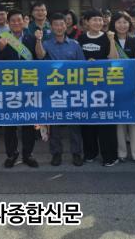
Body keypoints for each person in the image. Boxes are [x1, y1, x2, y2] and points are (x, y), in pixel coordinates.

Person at [35, 12, 86, 167]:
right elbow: (39, 56)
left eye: (61, 24)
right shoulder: (46, 44)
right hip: (53, 91)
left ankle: (76, 153)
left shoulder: (75, 45)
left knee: (74, 123)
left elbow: (82, 66)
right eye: (56, 25)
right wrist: (38, 40)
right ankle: (56, 153)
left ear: (66, 25)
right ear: (51, 27)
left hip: (72, 90)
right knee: (55, 124)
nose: (59, 27)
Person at [0, 9, 39, 168]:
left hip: (28, 85)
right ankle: (12, 154)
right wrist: (0, 48)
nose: (16, 23)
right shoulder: (1, 38)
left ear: (24, 21)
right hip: (9, 86)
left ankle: (28, 154)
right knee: (10, 123)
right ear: (8, 23)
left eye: (19, 20)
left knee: (28, 122)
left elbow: (39, 60)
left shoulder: (31, 38)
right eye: (13, 21)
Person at [77, 9, 119, 166]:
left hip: (104, 86)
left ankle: (110, 156)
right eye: (94, 20)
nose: (98, 23)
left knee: (105, 120)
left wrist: (112, 41)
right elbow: (76, 60)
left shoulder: (108, 37)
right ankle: (90, 153)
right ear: (87, 22)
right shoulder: (81, 38)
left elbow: (114, 59)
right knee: (87, 120)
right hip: (86, 86)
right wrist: (85, 64)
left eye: (100, 20)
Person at [110, 11, 135, 164]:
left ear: (130, 24)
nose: (122, 25)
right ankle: (121, 153)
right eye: (118, 22)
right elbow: (112, 59)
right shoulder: (109, 40)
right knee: (119, 119)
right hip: (115, 84)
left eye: (125, 22)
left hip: (133, 84)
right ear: (113, 24)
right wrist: (111, 41)